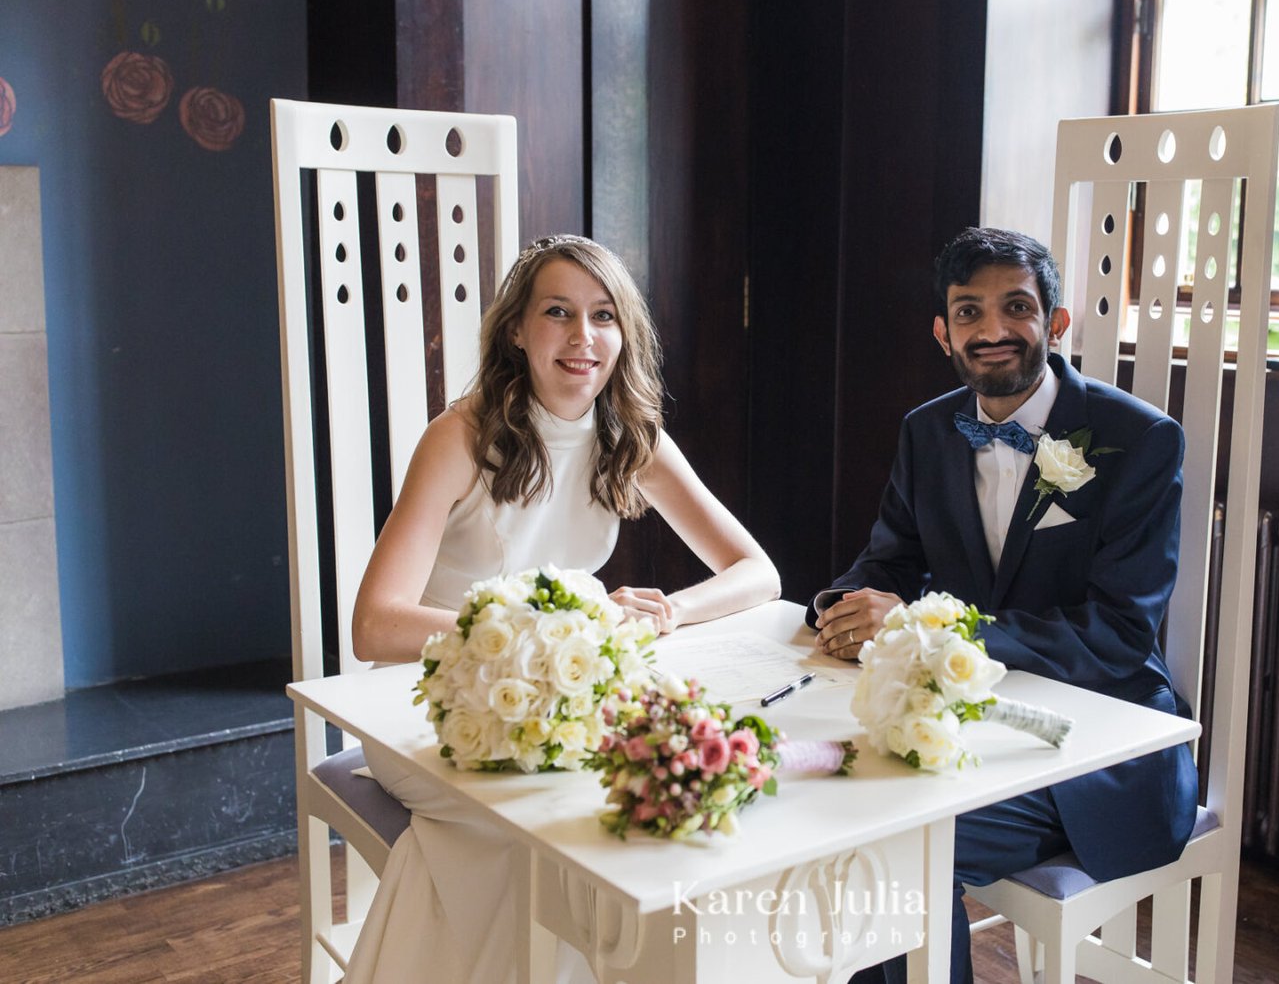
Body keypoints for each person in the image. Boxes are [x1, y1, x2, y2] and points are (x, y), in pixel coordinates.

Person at [343, 234, 781, 984]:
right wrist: (540, 630)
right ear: (517, 327)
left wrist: (667, 611)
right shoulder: (458, 437)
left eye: (604, 315)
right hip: (426, 702)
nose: (584, 338)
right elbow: (375, 625)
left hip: (558, 696)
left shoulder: (629, 437)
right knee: (537, 832)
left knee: (628, 813)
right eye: (558, 312)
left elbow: (757, 573)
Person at [811, 227, 1199, 984]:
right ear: (942, 331)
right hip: (969, 731)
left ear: (1056, 322)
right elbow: (888, 560)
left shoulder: (1141, 439)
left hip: (1101, 750)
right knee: (837, 824)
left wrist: (942, 632)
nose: (992, 330)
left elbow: (1120, 634)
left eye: (1015, 307)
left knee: (895, 846)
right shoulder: (926, 430)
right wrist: (839, 607)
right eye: (968, 312)